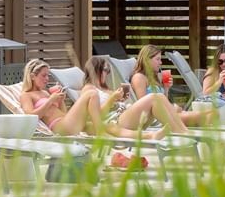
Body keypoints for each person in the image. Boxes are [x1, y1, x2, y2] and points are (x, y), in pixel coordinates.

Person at [20, 58, 165, 140]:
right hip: (61, 127)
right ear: (32, 76)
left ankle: (150, 136)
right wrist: (51, 101)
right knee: (91, 94)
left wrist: (60, 101)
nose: (47, 79)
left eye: (47, 75)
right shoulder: (26, 95)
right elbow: (30, 116)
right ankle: (99, 129)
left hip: (69, 121)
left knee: (112, 127)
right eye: (43, 75)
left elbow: (63, 113)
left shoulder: (46, 93)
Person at [80, 56, 189, 136]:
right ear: (96, 70)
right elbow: (91, 117)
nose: (107, 73)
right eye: (105, 70)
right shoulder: (89, 89)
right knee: (153, 98)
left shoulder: (105, 88)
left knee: (160, 97)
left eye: (108, 70)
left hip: (124, 115)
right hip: (115, 122)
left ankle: (184, 130)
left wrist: (119, 99)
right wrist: (112, 99)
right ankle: (179, 132)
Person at [130, 45, 212, 126]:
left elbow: (162, 101)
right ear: (147, 60)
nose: (161, 62)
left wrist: (166, 89)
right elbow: (144, 107)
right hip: (157, 119)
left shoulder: (153, 78)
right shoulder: (139, 78)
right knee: (205, 117)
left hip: (166, 115)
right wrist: (172, 110)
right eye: (157, 59)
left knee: (208, 114)